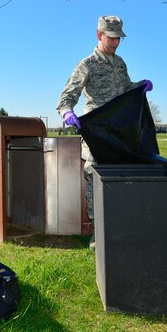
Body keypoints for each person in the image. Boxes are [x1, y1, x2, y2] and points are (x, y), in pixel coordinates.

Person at [56, 15, 153, 249]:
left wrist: (140, 85)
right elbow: (67, 97)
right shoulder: (87, 64)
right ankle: (98, 232)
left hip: (118, 129)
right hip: (97, 129)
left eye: (119, 38)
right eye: (112, 38)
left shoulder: (120, 63)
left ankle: (121, 223)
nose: (116, 42)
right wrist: (67, 112)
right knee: (95, 176)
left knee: (121, 175)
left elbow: (124, 89)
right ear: (100, 35)